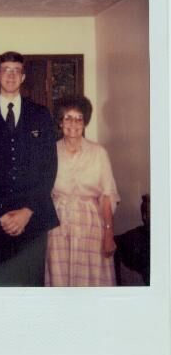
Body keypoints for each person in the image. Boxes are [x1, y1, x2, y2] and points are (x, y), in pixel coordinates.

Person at [0, 51, 59, 286]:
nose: (11, 75)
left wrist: (27, 211)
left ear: (23, 76)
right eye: (6, 70)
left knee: (30, 283)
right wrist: (0, 214)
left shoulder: (40, 114)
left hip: (34, 217)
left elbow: (49, 168)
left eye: (16, 70)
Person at [45, 95, 120, 287]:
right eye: (67, 117)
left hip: (92, 226)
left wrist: (109, 235)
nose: (73, 123)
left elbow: (106, 195)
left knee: (93, 281)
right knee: (60, 281)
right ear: (60, 123)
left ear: (85, 122)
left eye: (78, 118)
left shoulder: (98, 153)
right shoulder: (49, 152)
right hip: (58, 226)